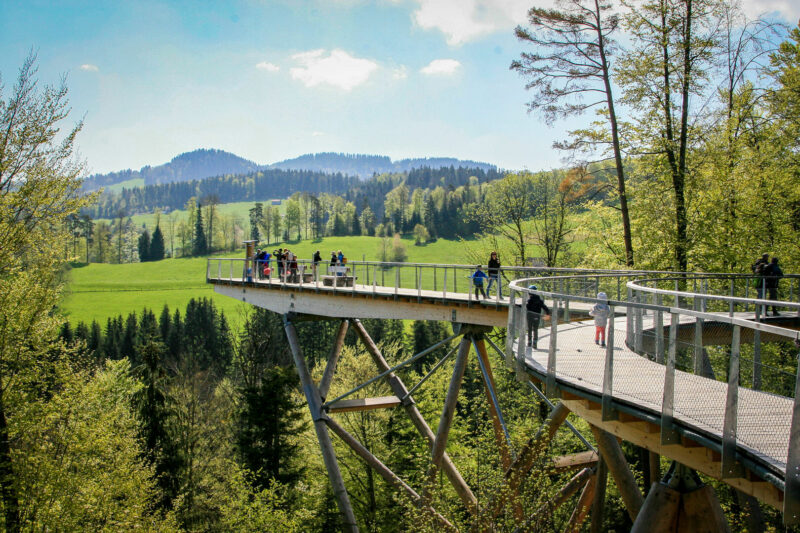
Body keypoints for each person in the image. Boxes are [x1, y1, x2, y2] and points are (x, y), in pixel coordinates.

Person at [526, 285, 550, 349]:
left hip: (529, 316)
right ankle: (535, 342)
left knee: (529, 329)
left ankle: (529, 342)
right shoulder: (539, 300)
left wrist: (516, 305)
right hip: (537, 316)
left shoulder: (529, 300)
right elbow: (545, 308)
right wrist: (548, 314)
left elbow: (526, 306)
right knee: (535, 329)